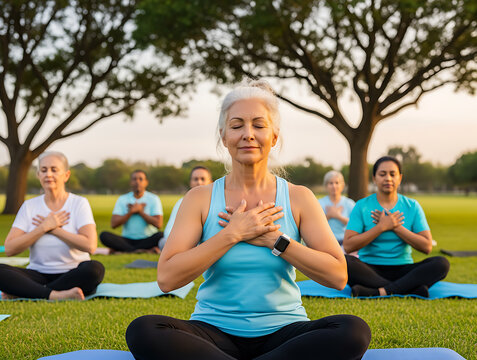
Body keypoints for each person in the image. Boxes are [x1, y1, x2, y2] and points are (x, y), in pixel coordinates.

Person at [126, 80, 371, 360]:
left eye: (258, 124)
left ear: (274, 136)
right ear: (223, 136)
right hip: (213, 331)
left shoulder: (298, 198)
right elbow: (167, 278)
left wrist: (275, 241)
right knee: (143, 330)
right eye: (237, 125)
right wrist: (232, 234)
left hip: (284, 331)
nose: (248, 134)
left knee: (353, 330)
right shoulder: (199, 198)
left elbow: (338, 276)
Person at [0, 151, 104, 300]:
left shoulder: (79, 203)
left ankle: (29, 291)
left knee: (95, 269)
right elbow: (9, 249)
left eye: (54, 170)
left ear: (66, 175)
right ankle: (56, 294)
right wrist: (42, 228)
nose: (48, 174)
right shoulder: (29, 206)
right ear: (38, 175)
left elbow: (90, 245)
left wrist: (54, 229)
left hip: (73, 272)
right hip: (38, 274)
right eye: (43, 170)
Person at [343, 156, 449, 298]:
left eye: (393, 174)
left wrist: (396, 227)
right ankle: (408, 289)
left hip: (404, 269)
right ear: (374, 178)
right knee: (344, 262)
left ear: (400, 178)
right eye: (382, 174)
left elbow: (427, 246)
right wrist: (380, 227)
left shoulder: (412, 206)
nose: (388, 178)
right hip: (369, 268)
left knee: (441, 263)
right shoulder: (362, 206)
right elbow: (349, 246)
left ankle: (380, 291)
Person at [99, 170, 163, 253]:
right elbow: (113, 224)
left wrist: (141, 212)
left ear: (146, 182)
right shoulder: (123, 199)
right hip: (127, 239)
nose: (137, 182)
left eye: (140, 179)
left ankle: (125, 250)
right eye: (134, 179)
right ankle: (142, 250)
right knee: (104, 235)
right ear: (130, 182)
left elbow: (158, 224)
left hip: (147, 239)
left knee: (161, 235)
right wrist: (131, 212)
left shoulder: (154, 199)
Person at [158, 166, 213, 250]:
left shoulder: (215, 202)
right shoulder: (181, 202)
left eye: (202, 179)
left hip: (208, 245)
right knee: (163, 242)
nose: (199, 182)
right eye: (195, 179)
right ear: (190, 183)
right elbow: (169, 231)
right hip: (185, 244)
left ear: (211, 182)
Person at [318, 170, 356, 255]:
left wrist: (338, 216)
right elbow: (315, 224)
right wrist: (328, 215)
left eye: (337, 183)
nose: (334, 186)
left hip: (346, 244)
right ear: (326, 186)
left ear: (342, 185)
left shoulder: (349, 203)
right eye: (330, 183)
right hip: (326, 244)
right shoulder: (319, 203)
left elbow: (355, 224)